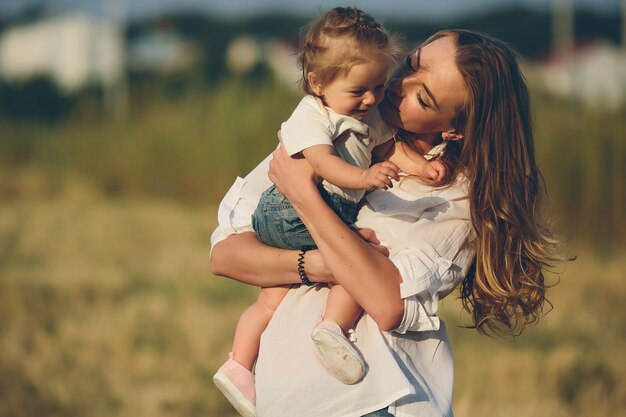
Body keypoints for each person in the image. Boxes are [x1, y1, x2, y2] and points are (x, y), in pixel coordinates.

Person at [210, 28, 559, 417]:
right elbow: (226, 255)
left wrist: (306, 198)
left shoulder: (458, 197)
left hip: (374, 400)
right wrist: (317, 265)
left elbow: (388, 302)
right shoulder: (336, 126)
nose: (398, 86)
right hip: (288, 398)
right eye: (412, 63)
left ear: (454, 128)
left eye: (422, 97)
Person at [213, 8, 450, 413]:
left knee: (270, 302)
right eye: (360, 90)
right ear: (317, 82)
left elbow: (386, 150)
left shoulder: (364, 115)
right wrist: (365, 179)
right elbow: (320, 164)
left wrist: (422, 168)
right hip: (289, 209)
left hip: (307, 208)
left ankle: (237, 365)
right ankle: (332, 326)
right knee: (361, 254)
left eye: (379, 84)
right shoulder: (311, 115)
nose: (374, 98)